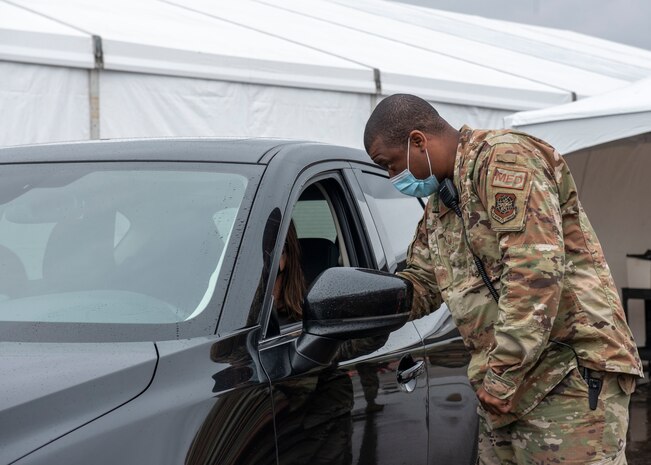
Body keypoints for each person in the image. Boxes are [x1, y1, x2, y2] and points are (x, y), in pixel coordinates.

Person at [363, 94, 643, 464]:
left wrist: (503, 374)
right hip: (508, 385)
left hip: (567, 374)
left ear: (418, 141)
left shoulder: (502, 160)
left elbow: (535, 275)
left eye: (389, 164)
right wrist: (359, 305)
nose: (391, 176)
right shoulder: (442, 204)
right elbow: (422, 283)